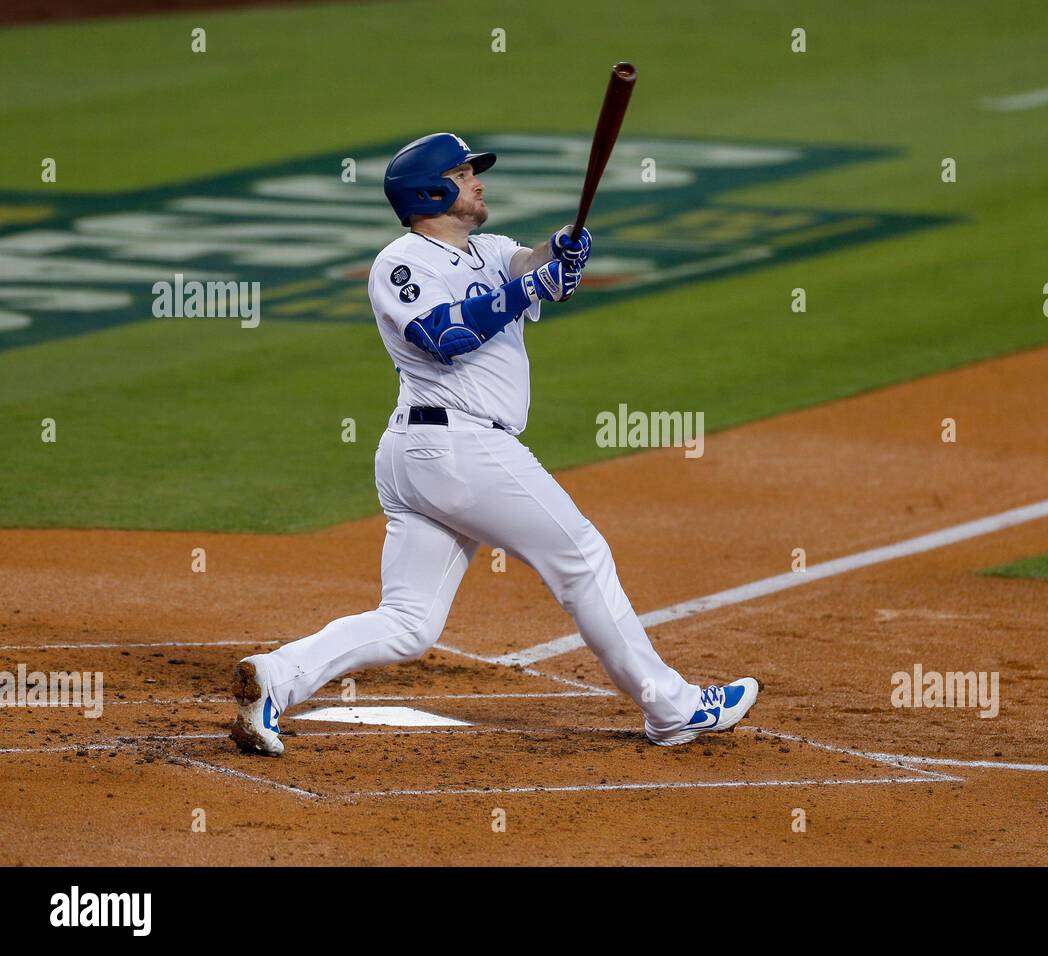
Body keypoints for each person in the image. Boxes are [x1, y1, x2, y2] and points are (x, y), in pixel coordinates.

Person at [229, 133, 758, 756]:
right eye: (462, 172)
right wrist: (531, 286)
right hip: (456, 449)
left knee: (407, 624)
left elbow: (534, 270)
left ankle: (274, 678)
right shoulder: (403, 263)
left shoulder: (488, 251)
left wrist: (561, 255)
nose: (477, 181)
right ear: (430, 191)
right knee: (582, 558)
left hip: (429, 454)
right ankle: (671, 710)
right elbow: (443, 334)